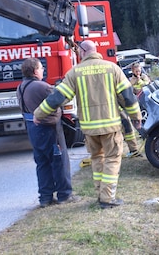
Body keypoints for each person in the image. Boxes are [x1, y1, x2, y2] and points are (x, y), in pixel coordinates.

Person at [33, 40, 141, 209]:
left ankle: (100, 193)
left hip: (89, 129)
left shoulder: (75, 73)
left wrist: (38, 114)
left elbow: (57, 98)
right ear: (95, 51)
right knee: (112, 159)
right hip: (110, 126)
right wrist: (136, 116)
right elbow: (127, 96)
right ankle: (107, 198)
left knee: (97, 159)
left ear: (82, 52)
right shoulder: (112, 68)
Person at [17, 58, 76, 208]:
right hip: (49, 129)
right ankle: (64, 194)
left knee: (42, 163)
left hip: (32, 130)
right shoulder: (41, 87)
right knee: (59, 161)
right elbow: (58, 100)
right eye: (41, 68)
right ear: (35, 71)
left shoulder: (21, 87)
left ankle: (45, 197)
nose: (43, 70)